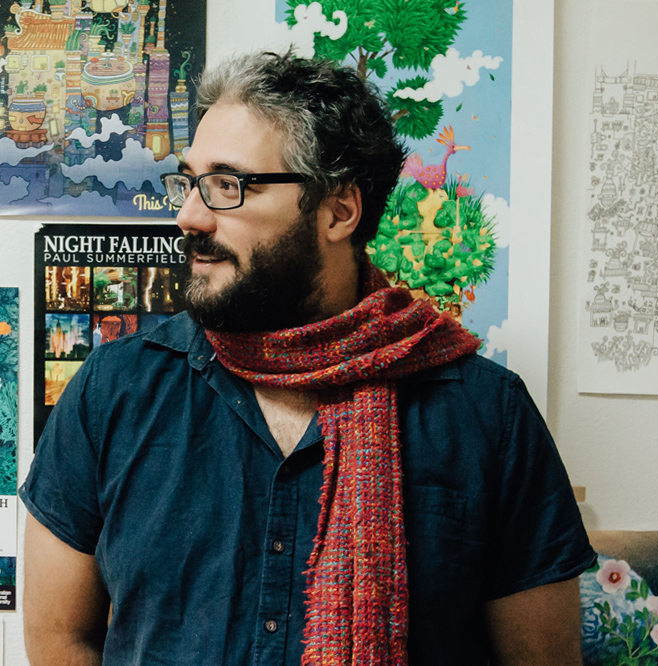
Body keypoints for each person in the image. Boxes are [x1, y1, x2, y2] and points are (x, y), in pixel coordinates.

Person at [20, 51, 594, 666]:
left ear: (338, 210)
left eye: (226, 185)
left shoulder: (486, 414)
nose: (188, 216)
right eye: (188, 182)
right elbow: (61, 639)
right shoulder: (115, 390)